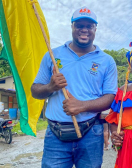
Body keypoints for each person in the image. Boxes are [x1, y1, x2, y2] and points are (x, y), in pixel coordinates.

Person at [31, 6, 117, 168]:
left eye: (89, 26)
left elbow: (110, 98)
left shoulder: (107, 61)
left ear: (95, 29)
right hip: (55, 135)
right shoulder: (53, 55)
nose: (84, 30)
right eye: (79, 25)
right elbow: (35, 91)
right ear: (72, 27)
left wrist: (82, 106)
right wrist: (50, 86)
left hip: (91, 132)